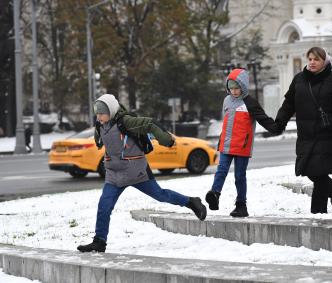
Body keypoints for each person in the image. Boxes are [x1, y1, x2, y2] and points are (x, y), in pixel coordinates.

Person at [77, 94, 207, 253]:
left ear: (111, 111)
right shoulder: (100, 125)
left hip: (136, 171)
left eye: (101, 113)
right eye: (97, 113)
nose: (98, 117)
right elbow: (102, 140)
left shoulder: (126, 122)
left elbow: (149, 124)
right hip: (114, 174)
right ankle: (99, 241)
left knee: (161, 195)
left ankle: (191, 202)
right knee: (104, 206)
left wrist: (165, 139)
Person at [275, 47, 332, 214]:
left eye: (316, 59)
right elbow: (289, 104)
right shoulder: (299, 79)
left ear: (324, 61)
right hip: (306, 134)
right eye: (310, 59)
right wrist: (279, 122)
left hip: (328, 134)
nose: (312, 62)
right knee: (307, 170)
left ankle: (318, 214)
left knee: (319, 174)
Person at [205, 68, 281, 217]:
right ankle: (214, 195)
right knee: (221, 171)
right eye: (231, 88)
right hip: (226, 144)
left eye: (237, 88)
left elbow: (263, 118)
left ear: (243, 86)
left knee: (239, 176)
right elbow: (226, 122)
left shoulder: (250, 103)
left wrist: (277, 128)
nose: (233, 91)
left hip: (242, 146)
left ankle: (241, 205)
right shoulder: (226, 100)